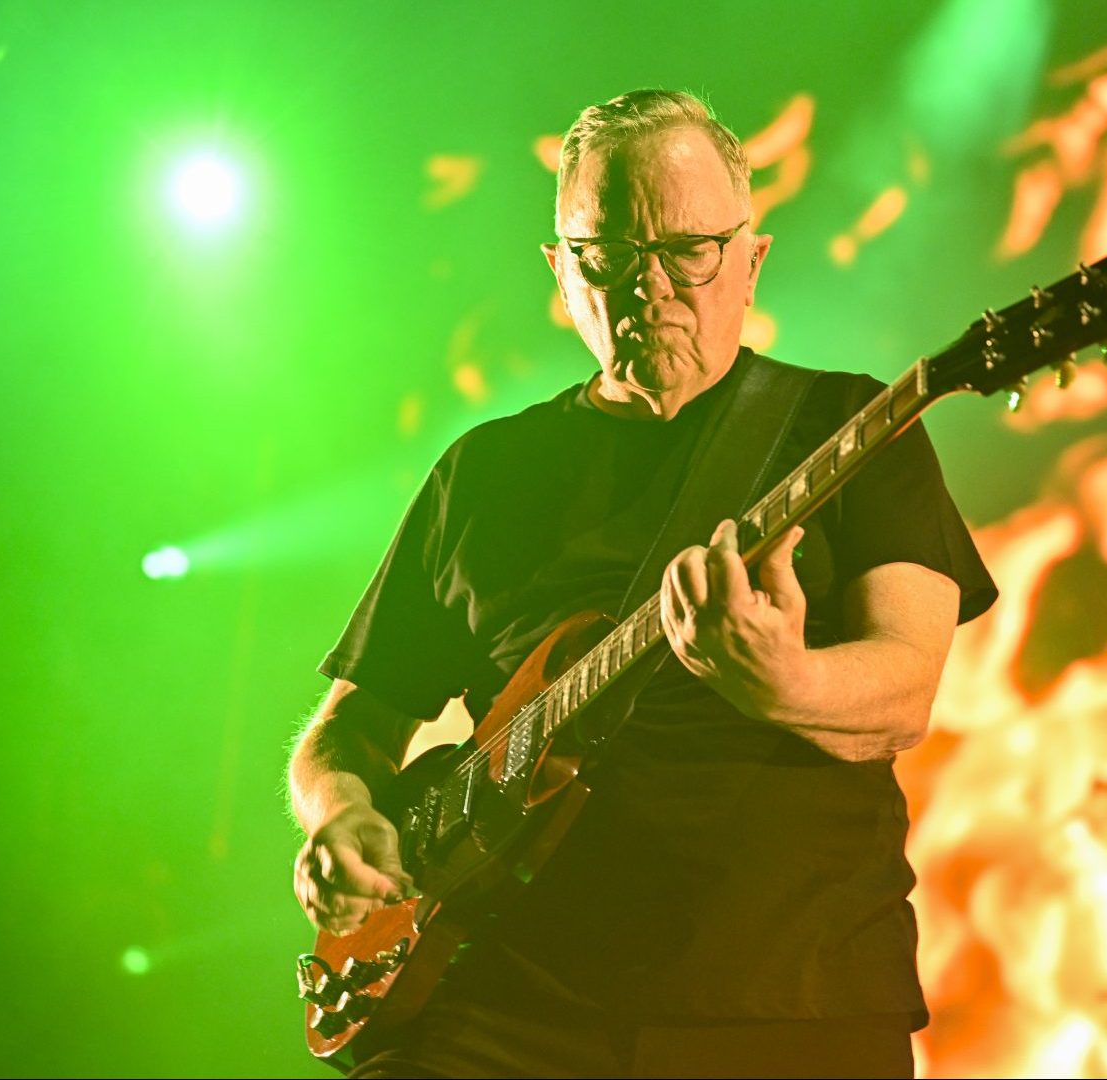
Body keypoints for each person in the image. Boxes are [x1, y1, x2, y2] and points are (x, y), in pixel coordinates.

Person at [287, 89, 997, 1079]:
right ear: (560, 272)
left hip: (787, 1005)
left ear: (750, 259)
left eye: (689, 249)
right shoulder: (482, 474)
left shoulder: (848, 429)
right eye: (608, 253)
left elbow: (904, 689)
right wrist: (340, 815)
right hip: (498, 1002)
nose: (648, 286)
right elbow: (347, 732)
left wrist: (781, 681)